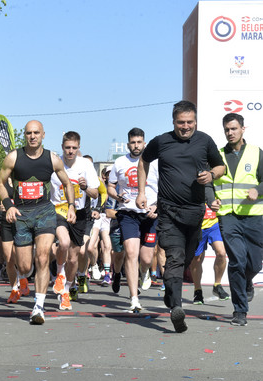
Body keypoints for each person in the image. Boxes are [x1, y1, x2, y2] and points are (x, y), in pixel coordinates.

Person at [136, 100, 225, 333]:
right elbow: (143, 161)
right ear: (173, 121)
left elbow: (220, 166)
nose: (185, 126)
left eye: (189, 122)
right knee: (174, 257)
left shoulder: (204, 141)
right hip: (169, 211)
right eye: (180, 122)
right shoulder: (162, 141)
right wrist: (142, 192)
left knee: (186, 259)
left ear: (195, 121)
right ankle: (176, 307)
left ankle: (170, 291)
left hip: (195, 212)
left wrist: (211, 175)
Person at [0, 120, 76, 324]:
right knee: (23, 266)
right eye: (29, 133)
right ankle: (26, 276)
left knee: (42, 257)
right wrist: (9, 204)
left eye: (36, 133)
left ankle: (38, 307)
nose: (32, 136)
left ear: (43, 135)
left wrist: (72, 206)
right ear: (25, 135)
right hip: (21, 213)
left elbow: (67, 183)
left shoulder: (52, 158)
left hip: (44, 211)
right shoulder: (14, 157)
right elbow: (0, 183)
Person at [210, 112, 263, 326]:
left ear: (243, 129)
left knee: (255, 263)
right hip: (228, 217)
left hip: (253, 217)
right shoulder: (217, 155)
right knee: (237, 261)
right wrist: (210, 200)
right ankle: (240, 311)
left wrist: (257, 190)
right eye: (226, 129)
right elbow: (207, 183)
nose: (230, 133)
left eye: (233, 128)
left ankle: (248, 282)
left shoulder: (257, 153)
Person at [107, 128, 159, 313]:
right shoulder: (120, 162)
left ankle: (144, 272)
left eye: (139, 142)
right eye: (133, 142)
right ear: (128, 144)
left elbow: (164, 188)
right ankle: (134, 298)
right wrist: (117, 196)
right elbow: (110, 186)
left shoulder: (155, 162)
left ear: (144, 143)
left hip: (149, 213)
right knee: (130, 252)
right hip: (127, 212)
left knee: (145, 258)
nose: (136, 146)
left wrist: (157, 206)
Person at [50, 131, 99, 310]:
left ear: (79, 148)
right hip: (58, 210)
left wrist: (85, 186)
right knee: (63, 243)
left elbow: (95, 193)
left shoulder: (85, 164)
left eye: (74, 148)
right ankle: (60, 274)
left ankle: (66, 290)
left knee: (74, 258)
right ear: (62, 147)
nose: (70, 151)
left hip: (79, 213)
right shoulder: (55, 162)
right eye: (67, 148)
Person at [189, 204, 229, 304]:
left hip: (214, 223)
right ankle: (197, 290)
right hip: (197, 225)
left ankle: (217, 285)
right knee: (197, 258)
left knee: (221, 253)